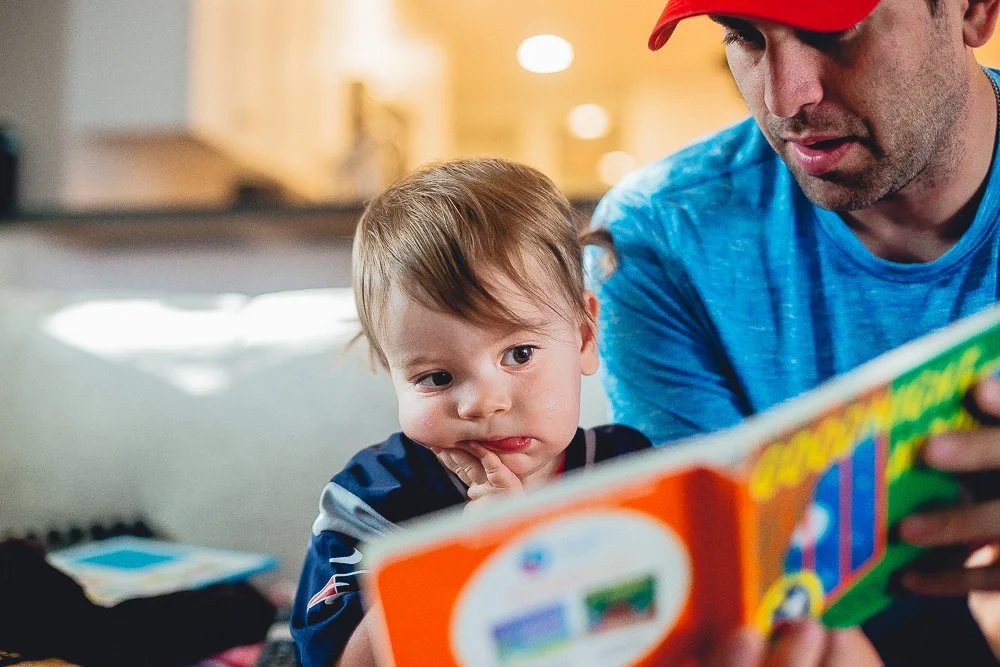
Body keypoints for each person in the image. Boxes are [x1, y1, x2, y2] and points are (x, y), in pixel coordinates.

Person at [592, 0, 1000, 663]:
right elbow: (723, 589)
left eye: (832, 29)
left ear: (973, 11)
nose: (786, 97)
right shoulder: (658, 239)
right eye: (744, 37)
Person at [289, 158, 653, 666]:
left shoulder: (633, 473)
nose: (484, 402)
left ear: (585, 336)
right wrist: (459, 555)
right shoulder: (373, 499)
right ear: (392, 373)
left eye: (519, 354)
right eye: (436, 378)